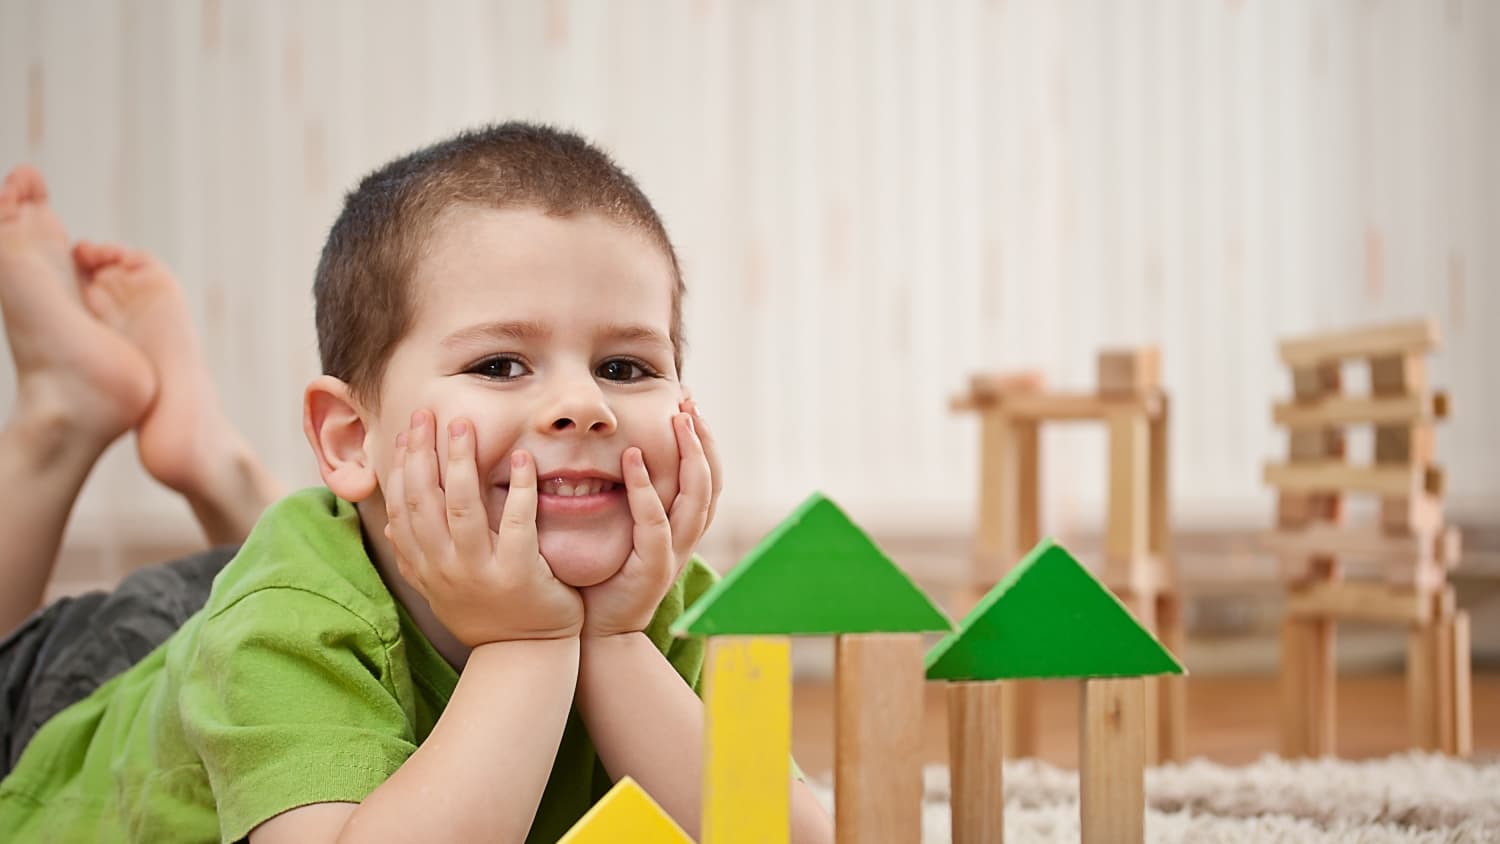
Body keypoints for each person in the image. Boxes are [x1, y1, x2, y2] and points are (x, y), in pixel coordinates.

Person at [0, 125, 833, 843]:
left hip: (323, 582)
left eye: (626, 366)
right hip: (94, 698)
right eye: (500, 364)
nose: (583, 406)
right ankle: (63, 418)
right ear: (353, 435)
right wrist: (529, 644)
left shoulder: (669, 593)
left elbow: (788, 832)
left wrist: (614, 643)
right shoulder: (287, 621)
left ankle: (217, 463)